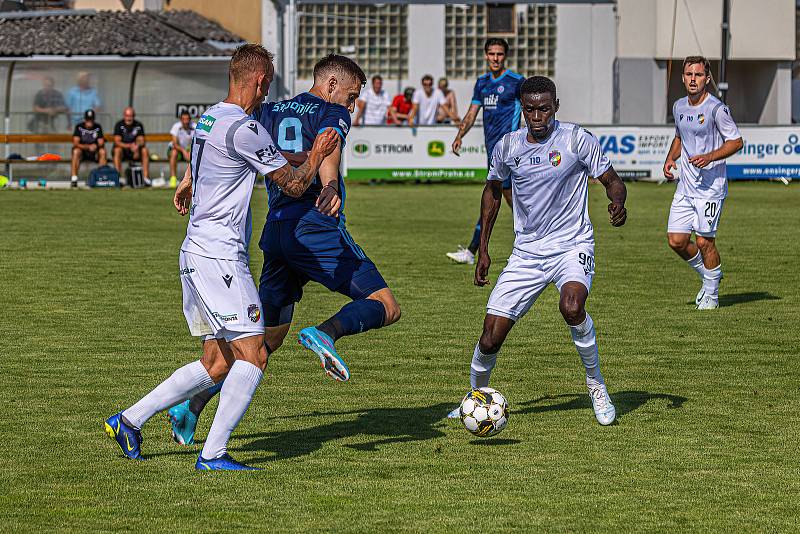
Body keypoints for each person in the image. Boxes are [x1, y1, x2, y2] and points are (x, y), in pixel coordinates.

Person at [103, 43, 339, 471]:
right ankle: (212, 454)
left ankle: (128, 420)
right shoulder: (246, 128)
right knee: (255, 354)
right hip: (220, 258)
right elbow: (292, 185)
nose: (267, 95)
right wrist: (319, 155)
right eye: (267, 85)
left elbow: (208, 156)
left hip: (197, 249)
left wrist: (188, 181)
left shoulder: (211, 117)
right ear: (260, 80)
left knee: (217, 361)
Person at [167, 54, 402, 446]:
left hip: (276, 234)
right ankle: (327, 333)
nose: (352, 106)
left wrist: (191, 176)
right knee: (387, 305)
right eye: (351, 95)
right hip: (314, 229)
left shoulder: (267, 110)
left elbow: (220, 140)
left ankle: (192, 405)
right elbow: (329, 152)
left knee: (262, 343)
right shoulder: (331, 110)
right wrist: (329, 187)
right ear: (330, 86)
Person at [446, 76, 627, 426]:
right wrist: (482, 250)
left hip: (571, 245)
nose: (537, 116)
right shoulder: (508, 145)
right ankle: (475, 397)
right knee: (490, 336)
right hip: (527, 252)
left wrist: (617, 203)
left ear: (555, 106)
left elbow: (612, 180)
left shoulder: (576, 139)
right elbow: (492, 193)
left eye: (544, 108)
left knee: (572, 306)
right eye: (530, 110)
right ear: (522, 109)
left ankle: (596, 384)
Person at [664, 56, 743, 310]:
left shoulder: (716, 109)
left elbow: (736, 142)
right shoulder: (678, 107)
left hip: (710, 188)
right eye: (689, 75)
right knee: (676, 240)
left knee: (704, 242)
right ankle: (710, 275)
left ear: (707, 78)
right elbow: (679, 136)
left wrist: (709, 157)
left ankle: (712, 294)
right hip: (685, 187)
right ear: (683, 77)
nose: (693, 79)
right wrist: (669, 159)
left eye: (698, 75)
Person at [447, 38, 524, 265]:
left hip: (510, 151)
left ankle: (474, 250)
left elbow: (530, 111)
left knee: (499, 199)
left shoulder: (517, 82)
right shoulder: (482, 83)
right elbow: (471, 113)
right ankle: (474, 250)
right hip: (493, 153)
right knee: (503, 200)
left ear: (505, 56)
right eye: (491, 54)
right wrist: (460, 135)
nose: (495, 58)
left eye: (499, 54)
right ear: (485, 55)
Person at [113, 107, 150, 186]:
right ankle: (119, 178)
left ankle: (145, 178)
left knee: (144, 150)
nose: (129, 118)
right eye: (127, 116)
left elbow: (141, 140)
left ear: (134, 116)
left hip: (135, 151)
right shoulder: (119, 125)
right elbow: (117, 142)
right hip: (123, 151)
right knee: (117, 150)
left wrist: (136, 146)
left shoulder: (138, 125)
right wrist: (129, 146)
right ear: (124, 116)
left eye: (131, 116)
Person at [70, 109, 107, 187]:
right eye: (88, 119)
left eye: (91, 119)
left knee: (102, 151)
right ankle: (74, 179)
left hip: (94, 152)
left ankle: (101, 178)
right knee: (76, 151)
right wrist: (87, 147)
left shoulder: (97, 127)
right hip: (82, 152)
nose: (89, 121)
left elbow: (101, 142)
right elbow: (76, 143)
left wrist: (95, 146)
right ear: (85, 119)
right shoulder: (79, 127)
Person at [169, 110, 196, 188]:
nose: (186, 121)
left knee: (194, 156)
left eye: (187, 119)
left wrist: (190, 151)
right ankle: (173, 178)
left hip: (190, 150)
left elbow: (196, 142)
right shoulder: (176, 127)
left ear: (190, 119)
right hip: (177, 149)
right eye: (184, 119)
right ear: (181, 119)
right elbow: (175, 144)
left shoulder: (195, 126)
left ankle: (191, 179)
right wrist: (184, 151)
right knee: (174, 153)